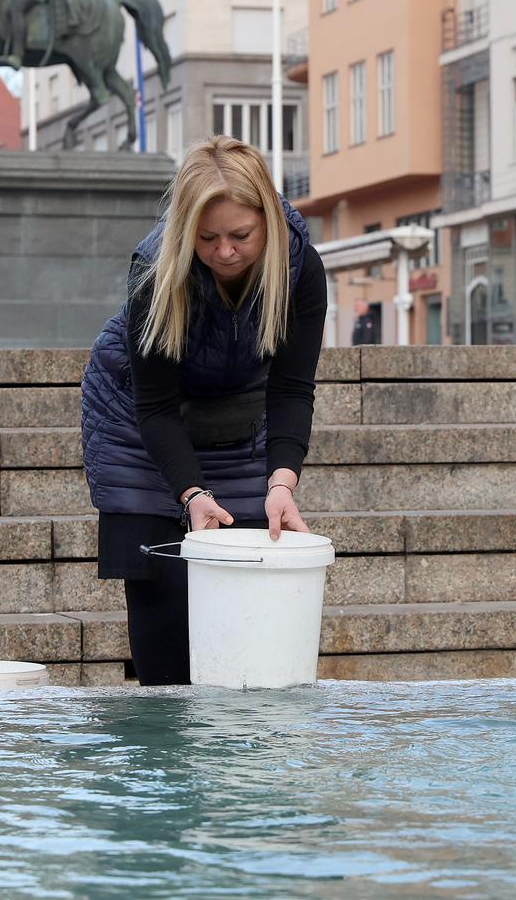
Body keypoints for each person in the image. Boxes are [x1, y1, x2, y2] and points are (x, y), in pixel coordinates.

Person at [81, 135, 327, 686]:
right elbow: (156, 406)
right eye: (207, 237)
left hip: (238, 424)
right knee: (165, 609)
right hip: (136, 426)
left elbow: (291, 388)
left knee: (242, 612)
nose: (224, 252)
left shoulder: (300, 268)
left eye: (241, 235)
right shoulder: (154, 270)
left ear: (268, 222)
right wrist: (191, 493)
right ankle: (163, 752)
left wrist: (282, 483)